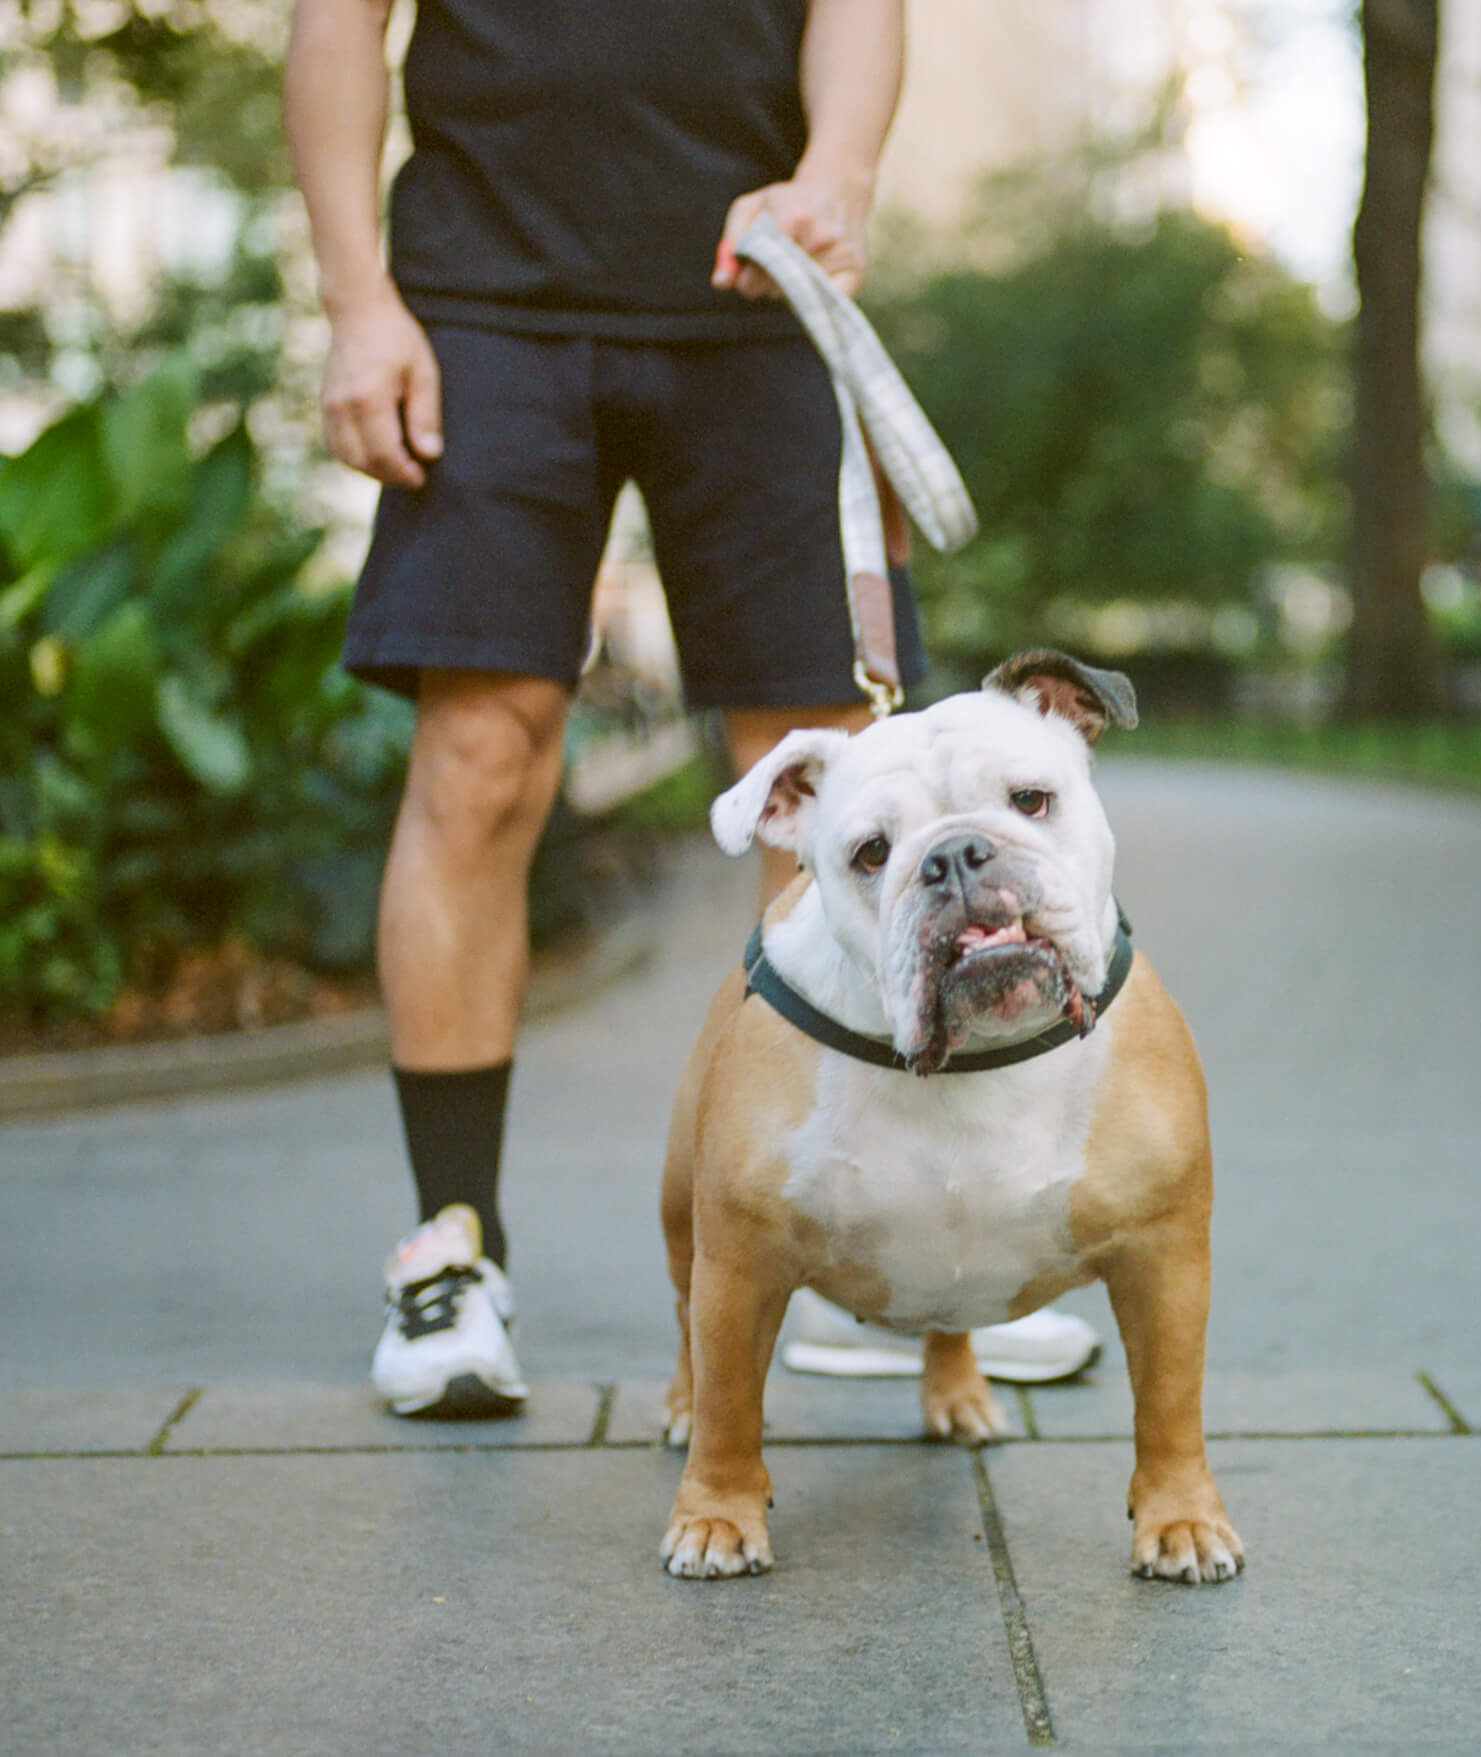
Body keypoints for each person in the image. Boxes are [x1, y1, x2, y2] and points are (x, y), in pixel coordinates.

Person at [284, 0, 1098, 1418]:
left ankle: (878, 1255)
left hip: (756, 292)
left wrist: (838, 174)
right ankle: (454, 1255)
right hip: (486, 306)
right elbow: (337, 22)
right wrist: (359, 303)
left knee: (841, 779)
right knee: (478, 759)